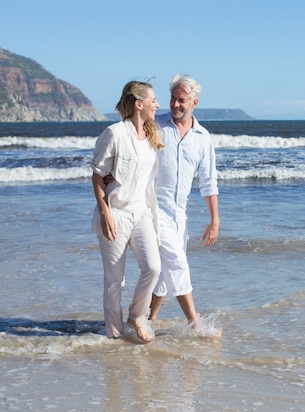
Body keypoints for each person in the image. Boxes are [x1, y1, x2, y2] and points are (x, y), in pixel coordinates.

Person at [148, 73, 220, 334]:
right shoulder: (153, 126)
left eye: (181, 100)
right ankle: (194, 323)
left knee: (164, 272)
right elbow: (129, 150)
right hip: (153, 210)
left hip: (180, 215)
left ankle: (150, 318)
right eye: (172, 99)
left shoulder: (202, 137)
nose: (175, 105)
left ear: (194, 103)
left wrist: (214, 220)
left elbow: (209, 181)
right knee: (177, 263)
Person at [91, 81, 163, 343]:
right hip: (116, 214)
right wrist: (105, 212)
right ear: (138, 104)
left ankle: (136, 315)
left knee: (153, 268)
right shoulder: (114, 133)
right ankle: (115, 336)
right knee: (114, 282)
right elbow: (98, 176)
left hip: (142, 212)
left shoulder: (152, 134)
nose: (157, 105)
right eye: (153, 100)